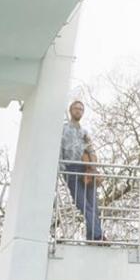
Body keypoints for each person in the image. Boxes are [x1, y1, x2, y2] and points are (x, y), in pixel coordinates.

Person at [60, 99, 105, 241]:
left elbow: (91, 149)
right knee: (83, 205)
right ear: (71, 110)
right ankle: (98, 235)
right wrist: (63, 171)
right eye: (76, 108)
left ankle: (93, 237)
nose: (79, 110)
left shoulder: (84, 132)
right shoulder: (63, 129)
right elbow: (59, 150)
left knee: (94, 207)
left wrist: (93, 168)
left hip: (86, 170)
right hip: (71, 170)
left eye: (81, 109)